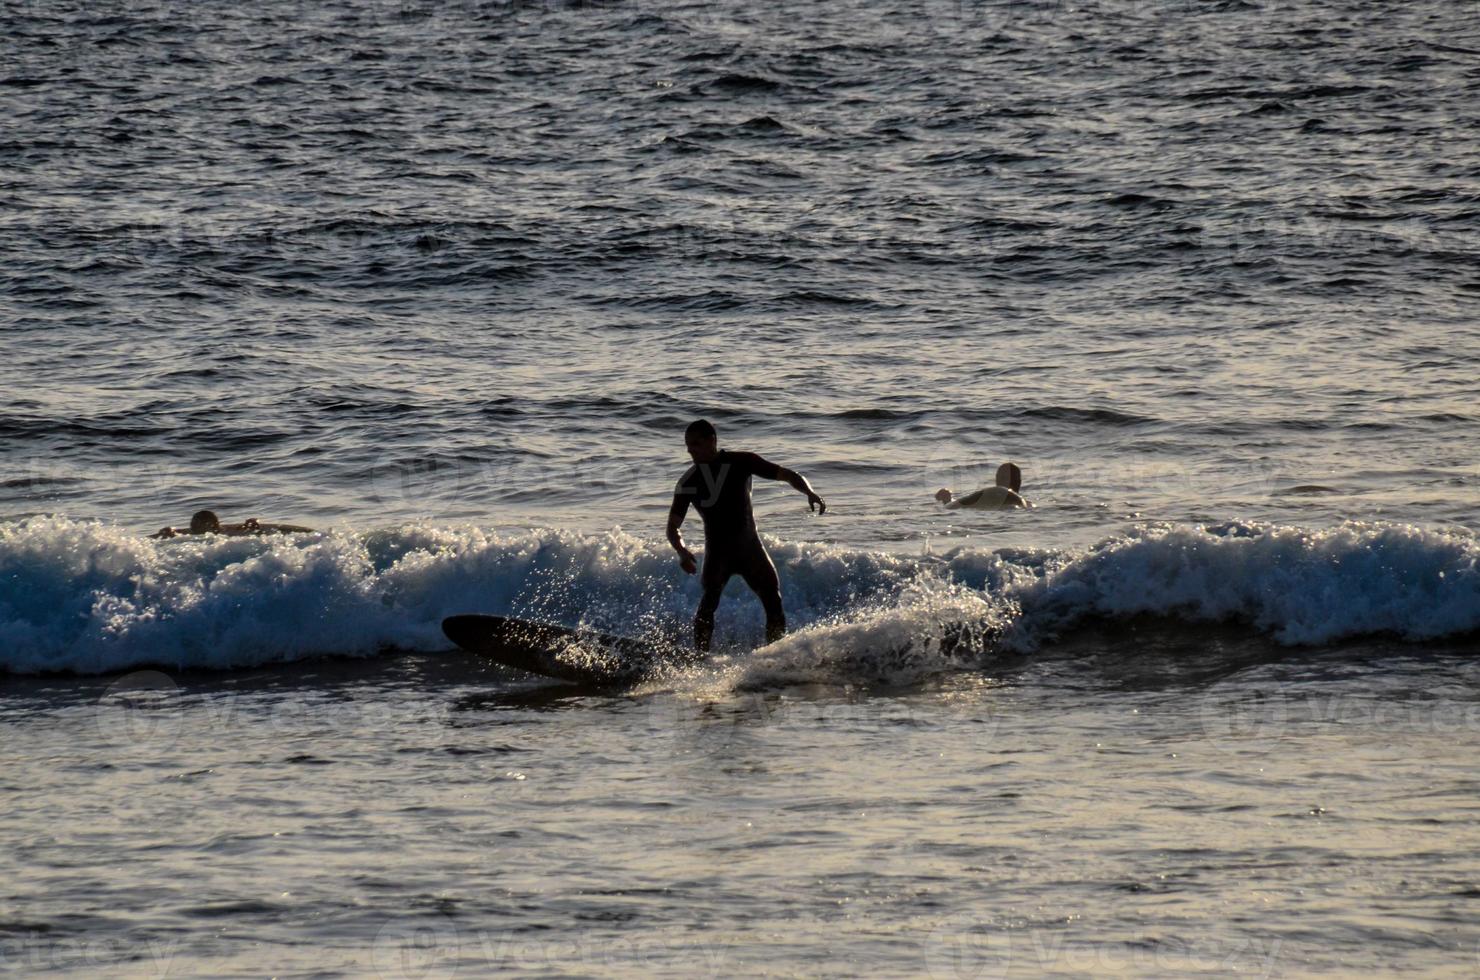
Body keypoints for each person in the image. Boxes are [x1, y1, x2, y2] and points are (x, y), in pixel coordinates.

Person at [667, 419, 825, 652]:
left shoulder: (742, 462)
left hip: (750, 550)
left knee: (774, 601)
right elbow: (672, 527)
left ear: (712, 440)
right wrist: (681, 551)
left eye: (696, 444)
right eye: (688, 445)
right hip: (718, 554)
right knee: (708, 605)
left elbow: (788, 475)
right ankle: (699, 657)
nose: (690, 450)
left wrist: (809, 492)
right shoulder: (688, 482)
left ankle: (773, 654)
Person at [151, 510, 315, 538]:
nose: (194, 528)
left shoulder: (227, 532)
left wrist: (255, 523)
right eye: (193, 525)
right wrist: (168, 531)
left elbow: (254, 523)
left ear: (212, 525)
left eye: (198, 525)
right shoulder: (189, 534)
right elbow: (175, 530)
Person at [936, 462, 1030, 510]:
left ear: (1018, 481)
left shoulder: (999, 493)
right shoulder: (990, 498)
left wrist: (947, 503)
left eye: (1004, 477)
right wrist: (947, 500)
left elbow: (959, 507)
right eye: (998, 477)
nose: (999, 480)